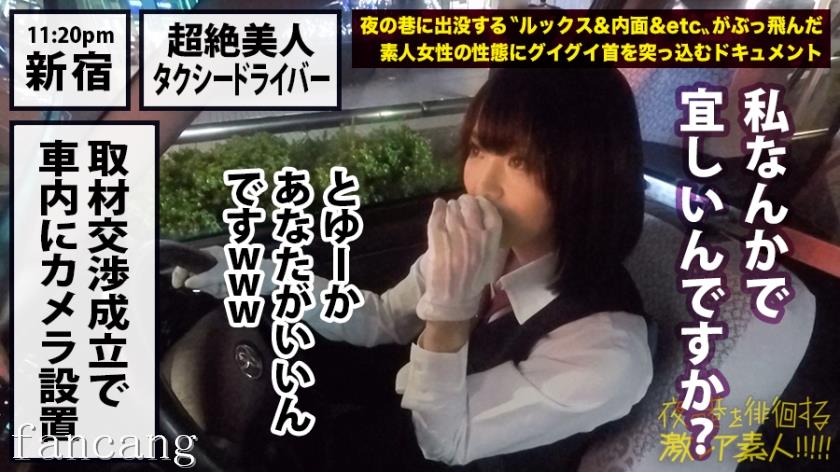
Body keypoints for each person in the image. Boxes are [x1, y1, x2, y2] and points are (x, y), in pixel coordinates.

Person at [172, 67, 653, 471]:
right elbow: (383, 318)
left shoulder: (608, 352)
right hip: (387, 428)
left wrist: (449, 312)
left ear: (589, 173)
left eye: (521, 162)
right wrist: (260, 274)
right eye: (479, 149)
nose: (482, 184)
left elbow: (444, 442)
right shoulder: (490, 245)